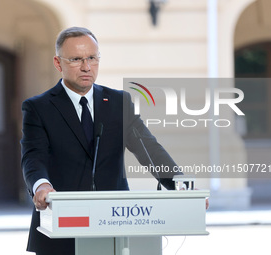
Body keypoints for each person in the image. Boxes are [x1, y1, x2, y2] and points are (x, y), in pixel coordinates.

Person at [21, 27, 183, 255]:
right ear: (58, 63)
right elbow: (33, 156)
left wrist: (181, 185)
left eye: (92, 58)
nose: (86, 67)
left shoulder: (119, 102)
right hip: (61, 228)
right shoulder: (38, 107)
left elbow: (149, 148)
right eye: (76, 59)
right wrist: (42, 185)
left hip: (115, 225)